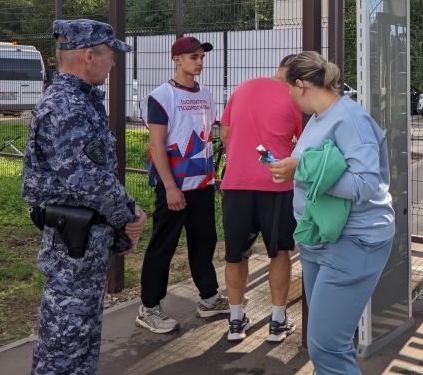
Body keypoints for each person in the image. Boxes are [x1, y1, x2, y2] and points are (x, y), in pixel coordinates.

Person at [22, 18, 147, 375]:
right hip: (72, 244)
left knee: (81, 339)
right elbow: (88, 180)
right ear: (89, 55)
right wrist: (130, 213)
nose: (113, 64)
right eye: (110, 56)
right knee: (64, 344)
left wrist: (122, 218)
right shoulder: (68, 106)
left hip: (84, 240)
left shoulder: (79, 101)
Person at [268, 51, 394, 375]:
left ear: (301, 85)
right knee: (326, 343)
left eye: (288, 89)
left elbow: (365, 184)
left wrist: (304, 169)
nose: (288, 98)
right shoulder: (319, 119)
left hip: (353, 240)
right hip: (321, 239)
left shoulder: (351, 119)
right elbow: (313, 169)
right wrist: (295, 170)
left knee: (326, 344)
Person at [136, 36, 228, 333]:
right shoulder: (161, 96)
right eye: (193, 57)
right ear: (176, 60)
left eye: (201, 57)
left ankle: (209, 298)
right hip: (173, 185)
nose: (199, 62)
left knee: (204, 242)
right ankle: (149, 307)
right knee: (163, 245)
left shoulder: (207, 94)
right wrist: (170, 186)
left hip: (202, 184)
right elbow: (157, 145)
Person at [219, 55, 303, 342]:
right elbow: (303, 146)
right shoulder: (296, 97)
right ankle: (277, 322)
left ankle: (235, 321)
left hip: (236, 183)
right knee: (279, 252)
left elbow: (225, 132)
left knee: (234, 254)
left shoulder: (244, 87)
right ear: (298, 75)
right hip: (276, 186)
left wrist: (245, 152)